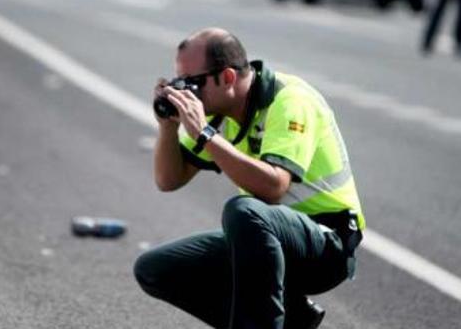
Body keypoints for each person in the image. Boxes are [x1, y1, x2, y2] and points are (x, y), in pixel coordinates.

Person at [134, 28, 365, 329]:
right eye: (179, 82)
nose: (187, 94)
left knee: (242, 211)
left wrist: (206, 134)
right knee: (154, 269)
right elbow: (168, 179)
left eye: (192, 83)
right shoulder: (218, 112)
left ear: (227, 77)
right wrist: (167, 126)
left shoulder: (289, 100)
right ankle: (294, 317)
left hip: (325, 243)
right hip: (266, 237)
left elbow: (273, 187)